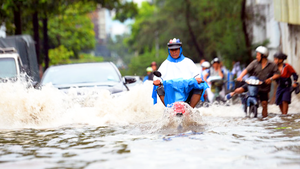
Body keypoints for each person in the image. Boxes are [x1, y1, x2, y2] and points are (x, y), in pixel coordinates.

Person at [225, 46, 281, 117]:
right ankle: (233, 93)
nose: (256, 56)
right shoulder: (254, 63)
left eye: (258, 55)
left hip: (263, 86)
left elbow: (278, 74)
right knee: (240, 89)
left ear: (263, 55)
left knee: (264, 104)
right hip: (252, 84)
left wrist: (271, 79)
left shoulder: (272, 65)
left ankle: (265, 120)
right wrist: (240, 77)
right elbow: (246, 70)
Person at [153, 38, 204, 108]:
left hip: (187, 90)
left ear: (180, 50)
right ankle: (169, 109)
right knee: (159, 88)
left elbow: (197, 75)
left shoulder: (188, 62)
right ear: (169, 50)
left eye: (176, 49)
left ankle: (190, 109)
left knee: (200, 86)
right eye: (172, 50)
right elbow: (157, 77)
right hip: (171, 91)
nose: (174, 52)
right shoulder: (165, 64)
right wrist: (157, 81)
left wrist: (197, 79)